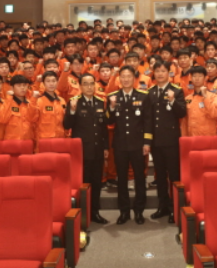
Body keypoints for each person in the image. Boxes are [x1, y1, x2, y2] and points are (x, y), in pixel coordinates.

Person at [107, 66, 153, 225]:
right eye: (123, 76)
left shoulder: (143, 96)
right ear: (119, 79)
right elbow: (108, 120)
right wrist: (112, 107)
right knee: (122, 179)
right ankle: (124, 211)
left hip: (138, 144)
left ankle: (139, 211)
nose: (126, 79)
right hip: (120, 144)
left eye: (129, 76)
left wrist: (147, 142)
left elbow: (148, 121)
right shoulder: (113, 97)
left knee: (140, 178)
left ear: (134, 78)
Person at [64, 73, 110, 224]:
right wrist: (72, 111)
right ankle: (83, 214)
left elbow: (103, 128)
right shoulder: (74, 102)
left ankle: (95, 212)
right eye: (86, 84)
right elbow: (67, 125)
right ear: (80, 86)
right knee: (83, 183)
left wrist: (105, 147)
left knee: (97, 183)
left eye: (92, 84)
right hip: (82, 151)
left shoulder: (100, 102)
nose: (89, 87)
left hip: (97, 150)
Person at [147, 61, 186, 223]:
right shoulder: (150, 92)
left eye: (163, 71)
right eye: (157, 71)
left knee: (174, 176)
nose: (160, 74)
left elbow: (182, 112)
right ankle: (162, 206)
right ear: (154, 73)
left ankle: (175, 208)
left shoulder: (177, 90)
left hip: (171, 141)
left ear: (169, 73)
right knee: (160, 176)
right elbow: (148, 118)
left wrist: (172, 101)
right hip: (156, 142)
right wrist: (148, 140)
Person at [183, 66, 217, 137]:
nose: (197, 78)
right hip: (192, 137)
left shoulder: (213, 96)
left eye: (200, 76)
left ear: (205, 78)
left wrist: (205, 97)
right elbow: (184, 122)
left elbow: (214, 114)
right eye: (194, 76)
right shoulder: (187, 98)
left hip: (208, 137)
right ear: (191, 78)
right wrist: (184, 137)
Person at [34, 71, 67, 147]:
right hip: (44, 141)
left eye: (53, 81)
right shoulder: (39, 101)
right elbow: (32, 120)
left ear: (57, 82)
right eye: (48, 81)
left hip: (60, 139)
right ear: (43, 83)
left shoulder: (62, 101)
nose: (51, 84)